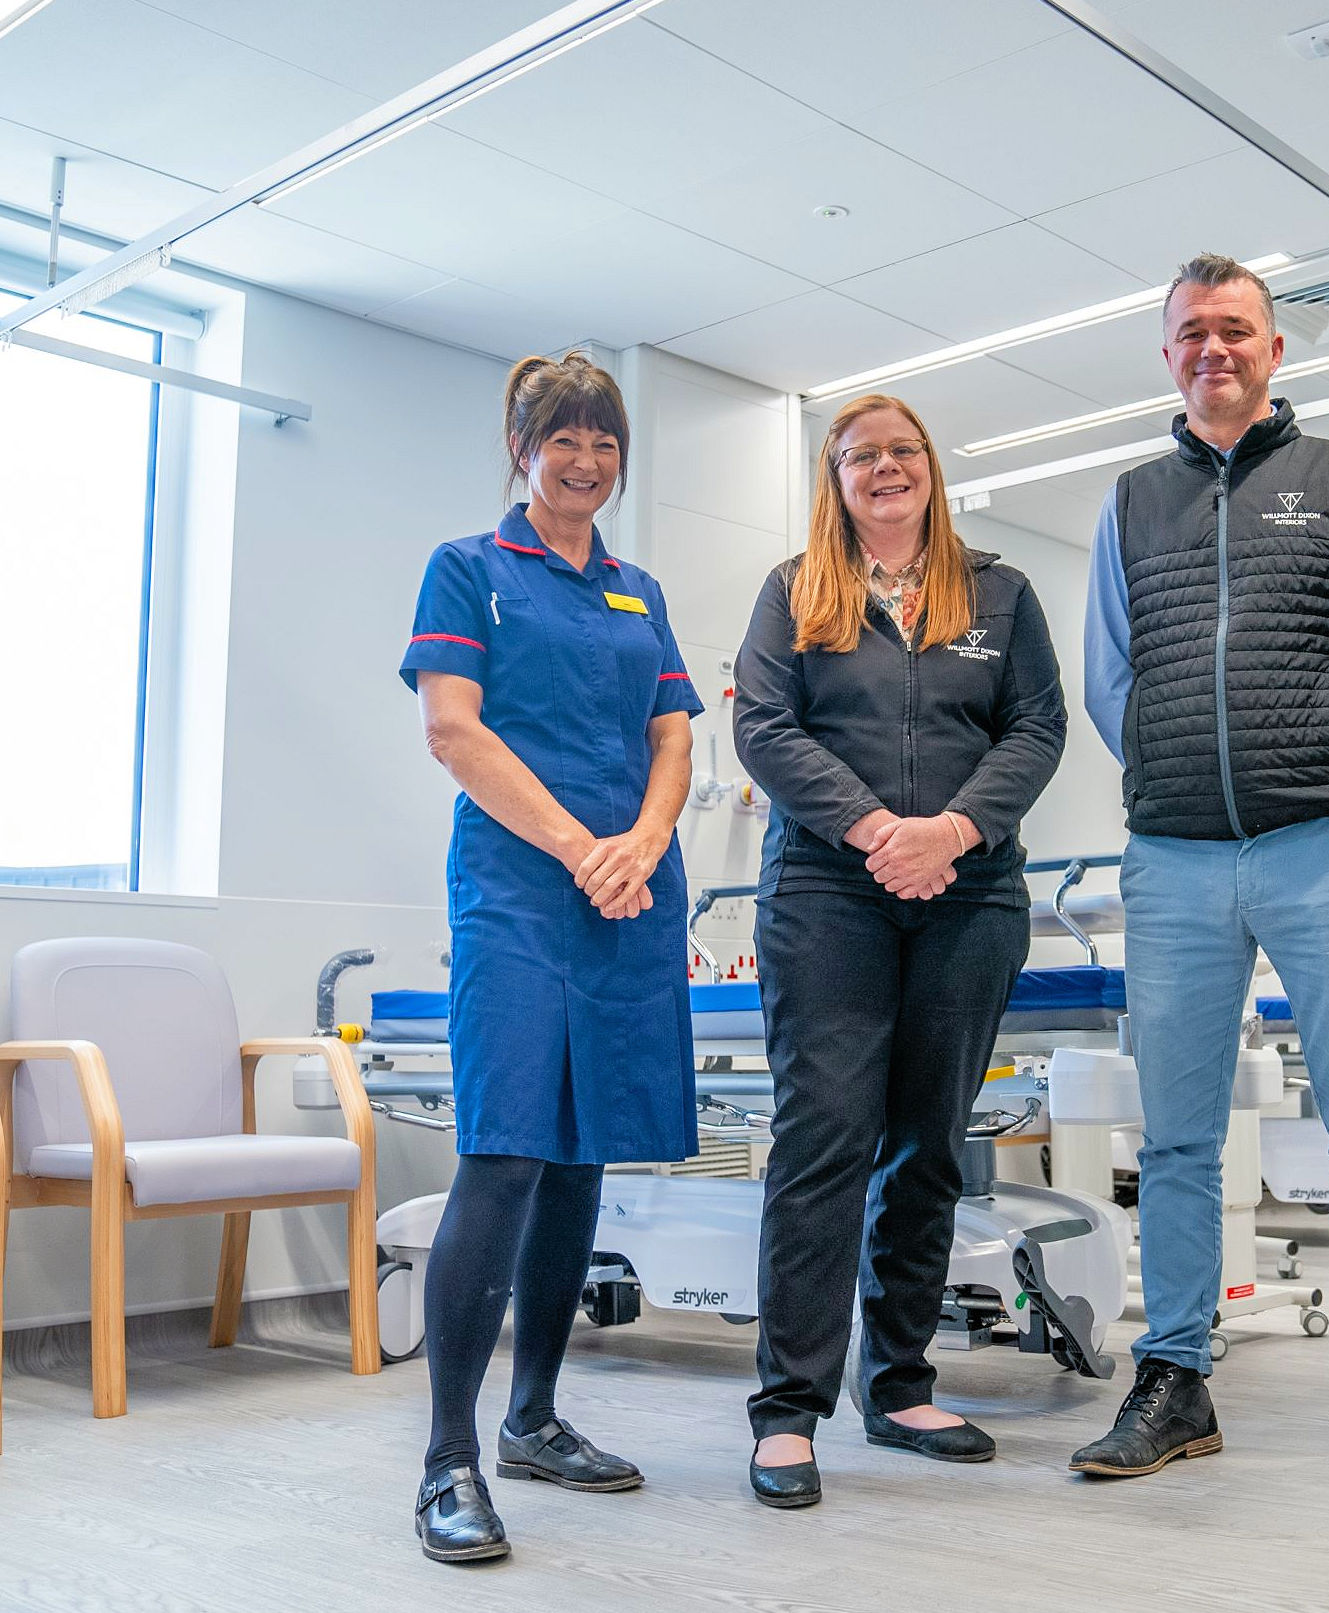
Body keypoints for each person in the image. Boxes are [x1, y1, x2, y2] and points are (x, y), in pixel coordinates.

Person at [1071, 253, 1329, 1487]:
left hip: (1321, 843)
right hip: (1174, 859)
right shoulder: (1129, 501)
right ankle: (1174, 1375)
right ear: (1167, 353)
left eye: (1236, 330)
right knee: (1176, 1135)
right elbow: (1109, 680)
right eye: (1190, 333)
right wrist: (1182, 774)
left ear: (1276, 350)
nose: (1212, 350)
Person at [733, 392, 1066, 1510]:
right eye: (859, 455)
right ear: (834, 479)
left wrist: (952, 832)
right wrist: (880, 831)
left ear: (932, 464)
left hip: (970, 895)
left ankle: (901, 1382)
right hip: (831, 890)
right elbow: (764, 728)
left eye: (902, 449)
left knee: (927, 1142)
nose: (883, 467)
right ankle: (788, 1409)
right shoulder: (794, 591)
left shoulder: (1000, 593)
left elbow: (1037, 728)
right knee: (825, 1139)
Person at [400, 352, 704, 1562]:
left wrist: (644, 839)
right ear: (521, 447)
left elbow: (674, 732)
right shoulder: (469, 568)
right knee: (507, 1149)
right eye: (562, 438)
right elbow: (451, 727)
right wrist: (585, 846)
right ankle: (446, 1456)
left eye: (606, 442)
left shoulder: (640, 589)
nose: (585, 460)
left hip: (628, 889)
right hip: (524, 891)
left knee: (581, 1156)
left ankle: (532, 1417)